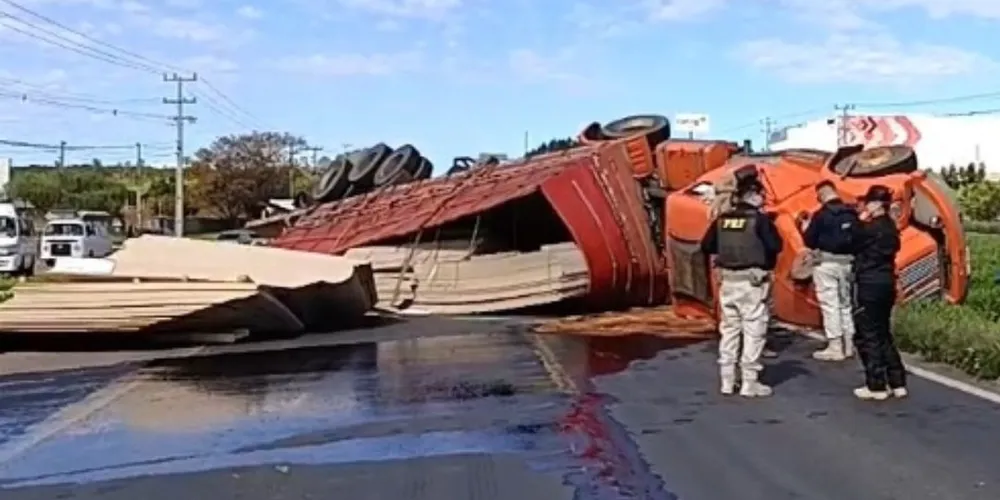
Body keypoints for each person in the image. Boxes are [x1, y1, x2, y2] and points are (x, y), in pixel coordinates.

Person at [700, 166, 784, 397]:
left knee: (729, 330)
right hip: (753, 283)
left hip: (728, 282)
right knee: (753, 331)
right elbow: (776, 246)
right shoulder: (760, 220)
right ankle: (749, 381)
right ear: (754, 195)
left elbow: (707, 246)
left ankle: (727, 381)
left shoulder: (723, 220)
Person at [850, 185, 907, 400]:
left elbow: (852, 242)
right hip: (887, 282)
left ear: (874, 204)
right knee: (884, 332)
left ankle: (876, 385)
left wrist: (860, 220)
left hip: (869, 283)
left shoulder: (869, 229)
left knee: (868, 334)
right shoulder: (891, 228)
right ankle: (897, 381)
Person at [803, 180, 859, 362]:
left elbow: (810, 241)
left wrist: (805, 228)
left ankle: (835, 346)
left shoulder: (821, 215)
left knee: (830, 305)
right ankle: (849, 344)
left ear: (821, 195)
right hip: (848, 263)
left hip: (826, 264)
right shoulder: (852, 214)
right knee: (846, 304)